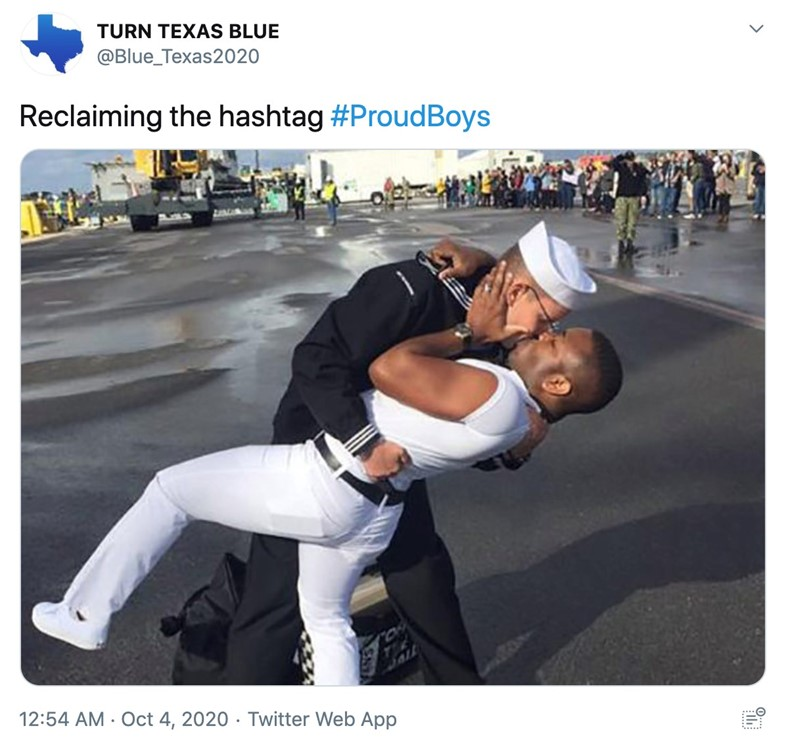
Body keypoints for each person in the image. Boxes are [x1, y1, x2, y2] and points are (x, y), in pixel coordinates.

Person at [31, 265, 622, 686]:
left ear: (560, 383)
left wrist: (472, 333)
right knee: (326, 620)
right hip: (373, 515)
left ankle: (86, 615)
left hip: (322, 480)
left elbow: (388, 367)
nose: (544, 332)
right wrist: (476, 273)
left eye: (556, 335)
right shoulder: (521, 419)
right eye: (551, 320)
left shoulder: (496, 393)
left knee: (169, 491)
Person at [221, 221, 598, 685]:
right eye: (547, 321)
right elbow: (316, 360)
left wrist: (514, 450)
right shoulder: (413, 289)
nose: (543, 334)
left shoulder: (501, 345)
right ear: (516, 288)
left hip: (391, 470)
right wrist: (366, 444)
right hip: (314, 451)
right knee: (275, 595)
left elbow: (456, 435)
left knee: (424, 579)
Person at [612, 151, 648, 255]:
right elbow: (613, 164)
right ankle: (621, 242)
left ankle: (630, 242)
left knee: (632, 222)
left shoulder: (638, 168)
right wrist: (620, 157)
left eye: (631, 159)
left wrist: (643, 195)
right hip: (622, 197)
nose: (629, 162)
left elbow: (643, 180)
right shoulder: (621, 167)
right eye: (628, 160)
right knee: (621, 221)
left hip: (634, 197)